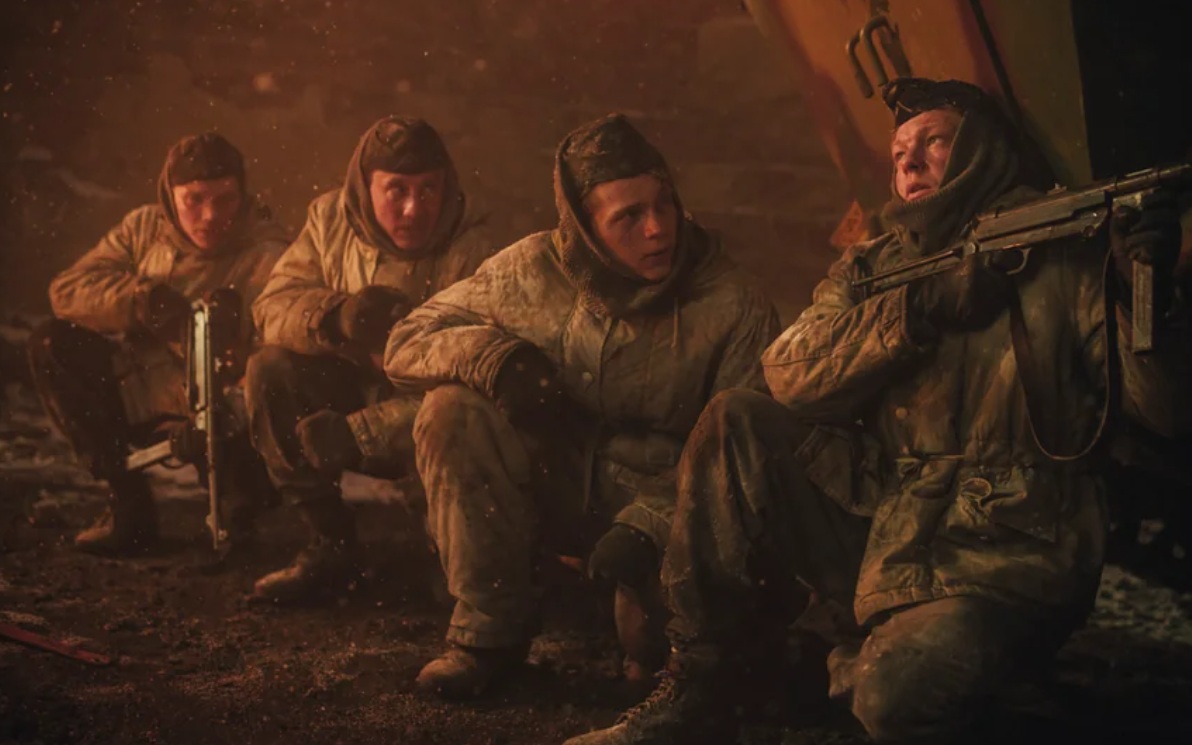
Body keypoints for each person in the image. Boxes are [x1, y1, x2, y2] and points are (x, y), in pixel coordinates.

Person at [566, 78, 1192, 744]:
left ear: (981, 151)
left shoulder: (1064, 258)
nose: (910, 162)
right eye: (898, 154)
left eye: (934, 142)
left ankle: (902, 672)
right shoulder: (874, 265)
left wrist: (1145, 291)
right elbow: (789, 372)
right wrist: (917, 311)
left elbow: (1169, 412)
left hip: (1005, 562)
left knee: (892, 698)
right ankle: (701, 685)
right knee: (736, 420)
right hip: (891, 537)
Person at [383, 113, 781, 698]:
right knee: (450, 410)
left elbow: (746, 456)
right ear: (585, 228)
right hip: (556, 479)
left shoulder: (732, 303)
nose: (657, 229)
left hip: (670, 501)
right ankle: (488, 637)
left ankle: (656, 655)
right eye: (628, 217)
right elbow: (406, 342)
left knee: (660, 659)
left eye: (664, 206)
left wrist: (650, 525)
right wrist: (497, 359)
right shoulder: (529, 271)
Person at [245, 116, 496, 604]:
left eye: (428, 190)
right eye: (396, 190)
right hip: (346, 393)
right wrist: (334, 316)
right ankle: (330, 542)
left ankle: (448, 553)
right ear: (365, 186)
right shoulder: (330, 220)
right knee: (270, 368)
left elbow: (473, 381)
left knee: (460, 578)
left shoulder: (476, 246)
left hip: (423, 414)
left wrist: (359, 431)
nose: (413, 208)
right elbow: (271, 306)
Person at [28, 132, 290, 554]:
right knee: (52, 344)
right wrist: (140, 301)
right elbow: (68, 290)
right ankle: (126, 503)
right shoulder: (145, 229)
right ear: (170, 196)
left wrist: (218, 410)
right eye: (194, 200)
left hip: (226, 402)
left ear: (243, 196)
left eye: (225, 200)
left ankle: (240, 513)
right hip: (144, 386)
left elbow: (275, 354)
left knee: (244, 497)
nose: (210, 216)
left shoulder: (268, 253)